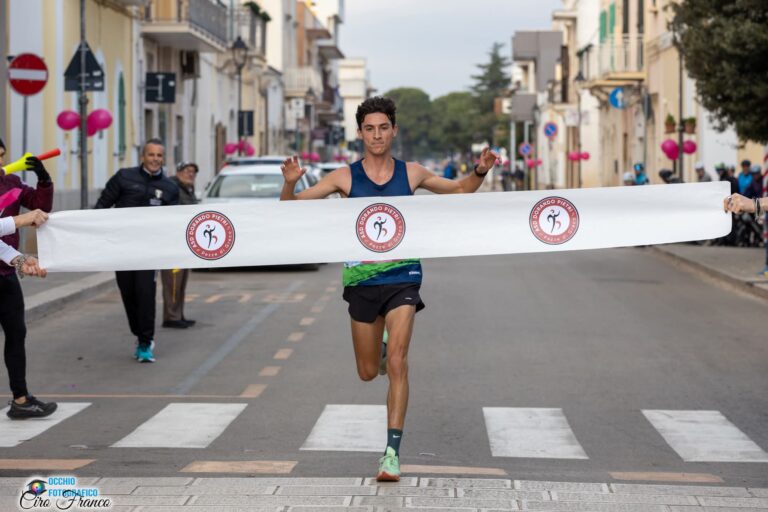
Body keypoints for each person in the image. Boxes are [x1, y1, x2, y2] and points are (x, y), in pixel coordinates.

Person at [279, 96, 498, 482]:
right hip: (362, 282)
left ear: (393, 130)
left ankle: (391, 454)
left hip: (403, 277)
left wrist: (479, 171)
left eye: (383, 128)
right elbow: (290, 209)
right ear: (360, 133)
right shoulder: (343, 178)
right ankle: (378, 352)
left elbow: (461, 189)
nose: (377, 135)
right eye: (369, 129)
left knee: (398, 361)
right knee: (368, 371)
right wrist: (289, 184)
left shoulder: (411, 173)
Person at [95, 139, 179, 362]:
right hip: (121, 249)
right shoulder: (124, 177)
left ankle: (145, 342)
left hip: (149, 251)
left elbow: (175, 221)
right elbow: (101, 207)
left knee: (145, 293)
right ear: (143, 156)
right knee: (128, 293)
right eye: (151, 155)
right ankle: (138, 333)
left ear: (163, 158)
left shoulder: (170, 187)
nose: (155, 159)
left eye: (159, 156)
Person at [0, 137, 57, 419]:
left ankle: (20, 399)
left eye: (1, 156)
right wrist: (20, 221)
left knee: (16, 333)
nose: (0, 162)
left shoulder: (10, 184)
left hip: (4, 273)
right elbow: (23, 220)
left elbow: (39, 207)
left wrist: (43, 179)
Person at [161, 161, 198, 329]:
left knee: (181, 282)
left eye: (193, 172)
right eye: (187, 171)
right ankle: (171, 317)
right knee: (173, 281)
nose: (190, 174)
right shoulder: (172, 187)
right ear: (179, 172)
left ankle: (178, 314)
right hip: (172, 244)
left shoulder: (187, 189)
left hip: (184, 244)